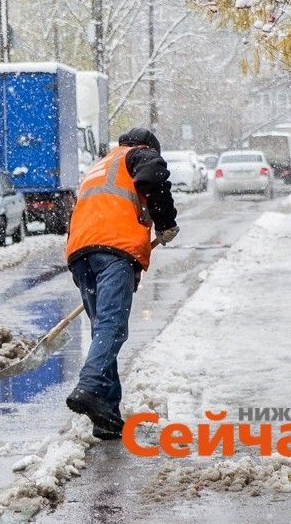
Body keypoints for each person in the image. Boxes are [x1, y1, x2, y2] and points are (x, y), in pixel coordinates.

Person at [64, 128, 179, 439]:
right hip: (114, 250)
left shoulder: (100, 165)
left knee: (103, 328)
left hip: (80, 253)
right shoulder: (139, 155)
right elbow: (152, 179)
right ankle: (89, 386)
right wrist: (166, 222)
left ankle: (106, 415)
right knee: (113, 327)